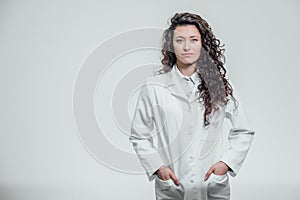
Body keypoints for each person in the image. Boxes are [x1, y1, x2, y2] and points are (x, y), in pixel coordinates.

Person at [129, 12, 255, 200]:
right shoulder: (154, 86)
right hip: (173, 187)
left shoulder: (221, 85)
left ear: (203, 44)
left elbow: (243, 131)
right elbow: (139, 135)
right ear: (171, 45)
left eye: (193, 40)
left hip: (211, 184)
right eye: (179, 40)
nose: (187, 47)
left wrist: (225, 165)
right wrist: (159, 168)